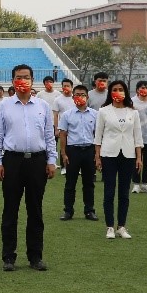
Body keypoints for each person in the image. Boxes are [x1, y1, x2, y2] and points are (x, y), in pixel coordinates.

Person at [0, 64, 56, 271]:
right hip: (12, 161)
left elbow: (49, 135)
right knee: (10, 210)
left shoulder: (42, 106)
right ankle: (8, 257)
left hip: (37, 161)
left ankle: (35, 256)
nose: (23, 81)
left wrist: (51, 160)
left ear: (32, 80)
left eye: (26, 77)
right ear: (13, 81)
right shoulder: (4, 106)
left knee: (35, 210)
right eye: (19, 77)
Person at [93, 80, 141, 240]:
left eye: (121, 89)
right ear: (110, 92)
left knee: (124, 193)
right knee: (109, 192)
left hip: (128, 155)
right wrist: (97, 156)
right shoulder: (103, 111)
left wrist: (139, 157)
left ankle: (121, 226)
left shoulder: (133, 112)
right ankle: (109, 227)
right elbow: (98, 136)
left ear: (126, 92)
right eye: (115, 89)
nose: (118, 92)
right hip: (109, 154)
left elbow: (137, 136)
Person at [56, 85, 98, 222]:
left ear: (87, 96)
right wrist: (63, 154)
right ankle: (68, 211)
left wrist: (97, 154)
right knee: (70, 182)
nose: (80, 97)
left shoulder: (95, 114)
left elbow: (97, 135)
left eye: (83, 94)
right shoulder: (67, 115)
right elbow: (63, 134)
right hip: (73, 151)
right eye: (77, 95)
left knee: (89, 183)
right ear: (73, 97)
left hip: (89, 150)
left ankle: (89, 210)